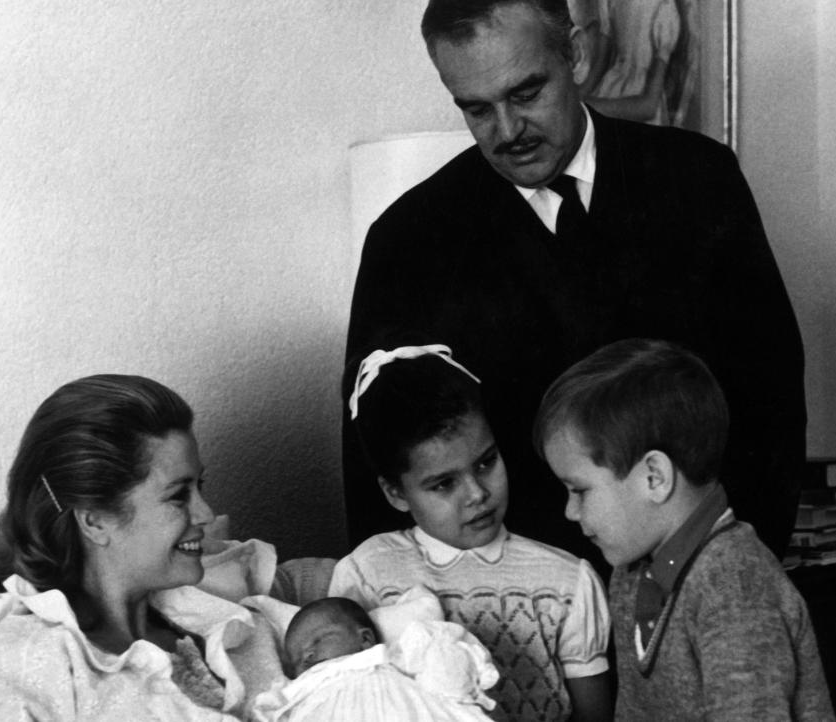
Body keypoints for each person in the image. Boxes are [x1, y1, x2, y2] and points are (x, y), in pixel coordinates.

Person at [343, 0, 805, 567]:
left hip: (699, 580)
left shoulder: (699, 181)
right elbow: (379, 470)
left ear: (577, 55)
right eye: (477, 110)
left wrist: (735, 567)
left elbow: (771, 405)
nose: (508, 131)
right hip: (510, 618)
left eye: (526, 93)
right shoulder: (406, 240)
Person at [533, 338, 833, 719]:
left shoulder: (734, 585)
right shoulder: (631, 572)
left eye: (580, 491)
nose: (570, 512)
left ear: (654, 477)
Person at [330, 345, 612, 722]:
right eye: (444, 484)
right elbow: (340, 699)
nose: (478, 493)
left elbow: (595, 717)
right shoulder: (368, 573)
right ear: (396, 492)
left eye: (486, 462)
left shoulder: (566, 582)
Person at [0, 374, 252, 721]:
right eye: (178, 495)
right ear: (95, 521)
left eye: (200, 486)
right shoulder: (20, 668)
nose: (206, 514)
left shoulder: (227, 617)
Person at [256, 596, 499, 722]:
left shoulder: (391, 657)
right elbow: (272, 709)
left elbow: (437, 656)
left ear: (365, 639)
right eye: (297, 658)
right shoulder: (303, 686)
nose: (307, 655)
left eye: (318, 639)